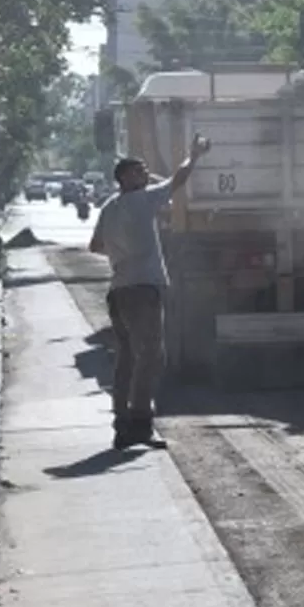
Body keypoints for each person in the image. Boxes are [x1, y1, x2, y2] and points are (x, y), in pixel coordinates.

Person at [88, 137, 211, 450]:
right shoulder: (143, 200)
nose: (146, 174)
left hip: (119, 290)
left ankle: (121, 422)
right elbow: (179, 179)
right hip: (143, 290)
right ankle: (140, 424)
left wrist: (123, 255)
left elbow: (95, 246)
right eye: (140, 171)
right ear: (127, 178)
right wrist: (193, 156)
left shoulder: (109, 207)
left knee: (127, 357)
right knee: (152, 357)